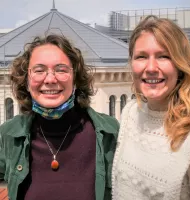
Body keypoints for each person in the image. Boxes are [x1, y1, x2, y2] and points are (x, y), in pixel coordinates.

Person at [0, 34, 119, 200]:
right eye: (39, 70)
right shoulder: (8, 135)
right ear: (27, 81)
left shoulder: (110, 134)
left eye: (61, 70)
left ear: (75, 79)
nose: (50, 79)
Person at [112, 15, 190, 200]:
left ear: (180, 65)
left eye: (163, 56)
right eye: (142, 57)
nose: (151, 67)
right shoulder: (130, 113)